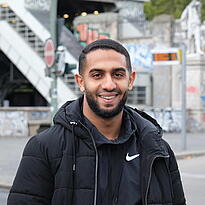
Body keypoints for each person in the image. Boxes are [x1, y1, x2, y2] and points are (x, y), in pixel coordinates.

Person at [7, 39, 186, 205]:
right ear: (81, 82)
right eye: (97, 75)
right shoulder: (44, 147)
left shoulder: (159, 150)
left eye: (117, 74)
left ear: (130, 80)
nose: (109, 85)